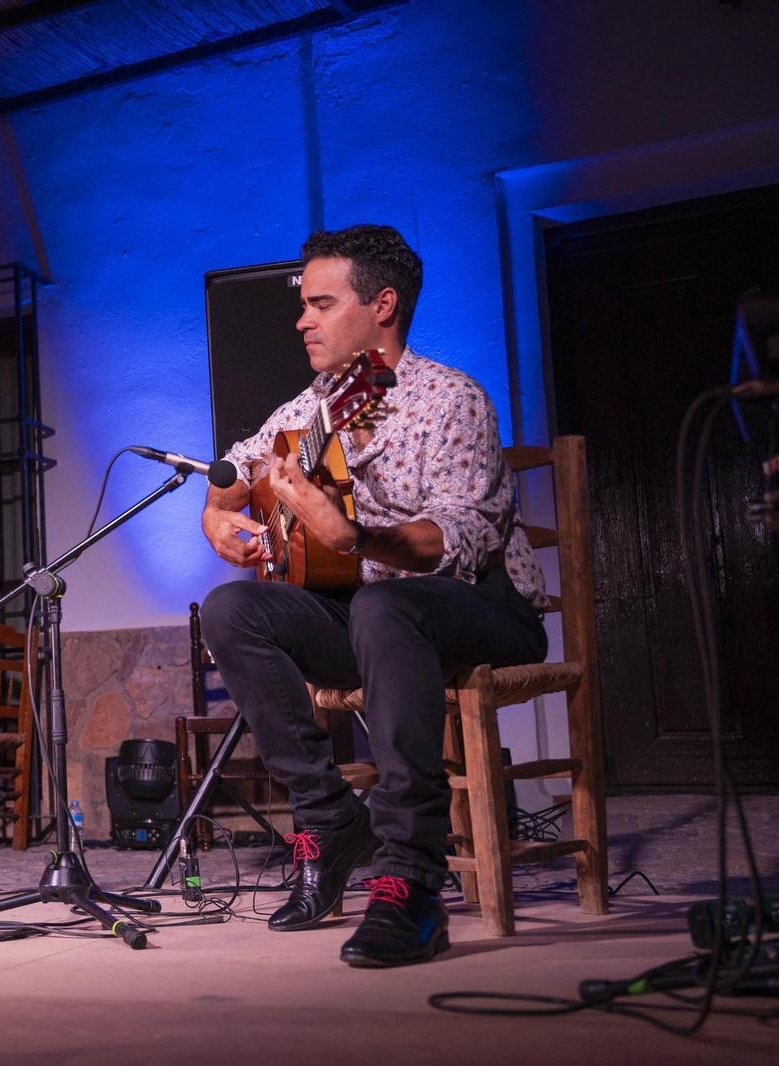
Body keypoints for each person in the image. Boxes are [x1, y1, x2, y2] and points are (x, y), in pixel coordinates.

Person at [199, 225, 548, 967]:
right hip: (370, 620)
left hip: (478, 607)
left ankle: (412, 876)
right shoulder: (314, 405)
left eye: (321, 304)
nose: (301, 320)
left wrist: (355, 538)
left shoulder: (453, 398)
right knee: (232, 609)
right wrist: (216, 515)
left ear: (382, 305)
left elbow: (461, 542)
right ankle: (329, 821)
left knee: (386, 605)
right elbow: (234, 464)